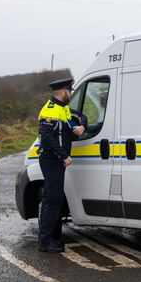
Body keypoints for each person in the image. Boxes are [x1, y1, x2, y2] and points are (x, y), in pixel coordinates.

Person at [36, 77, 85, 252]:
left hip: (57, 161)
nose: (71, 94)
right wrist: (64, 156)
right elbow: (47, 139)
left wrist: (82, 126)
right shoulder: (50, 110)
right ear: (63, 91)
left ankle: (53, 238)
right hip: (51, 160)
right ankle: (45, 241)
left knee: (54, 199)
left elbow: (80, 116)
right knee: (52, 200)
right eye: (70, 91)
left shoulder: (63, 108)